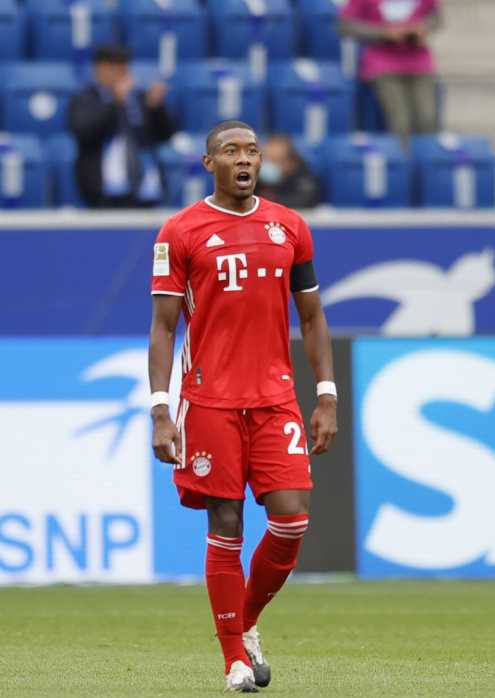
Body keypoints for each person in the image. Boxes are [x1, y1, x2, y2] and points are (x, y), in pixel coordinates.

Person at [148, 120, 339, 692]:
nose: (245, 159)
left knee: (292, 519)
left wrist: (326, 394)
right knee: (225, 522)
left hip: (275, 397)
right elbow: (162, 327)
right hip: (208, 399)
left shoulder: (289, 227)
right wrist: (161, 409)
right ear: (210, 163)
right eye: (231, 151)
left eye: (253, 150)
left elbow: (311, 317)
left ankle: (245, 621)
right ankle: (234, 657)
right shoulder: (180, 231)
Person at [68, 44, 176, 208]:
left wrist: (157, 108)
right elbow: (84, 132)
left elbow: (164, 136)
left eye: (124, 68)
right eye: (115, 68)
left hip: (146, 187)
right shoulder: (83, 99)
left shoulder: (139, 98)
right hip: (103, 190)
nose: (122, 74)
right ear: (100, 69)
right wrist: (114, 103)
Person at [339, 0, 441, 142]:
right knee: (401, 122)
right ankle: (401, 161)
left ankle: (427, 161)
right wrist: (383, 33)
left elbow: (435, 16)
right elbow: (345, 25)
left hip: (419, 63)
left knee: (427, 120)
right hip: (383, 65)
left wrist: (423, 29)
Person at [256, 135, 323, 209]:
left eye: (274, 160)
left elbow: (306, 200)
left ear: (290, 163)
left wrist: (274, 200)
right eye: (265, 159)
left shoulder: (304, 179)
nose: (268, 164)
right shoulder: (254, 176)